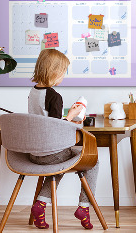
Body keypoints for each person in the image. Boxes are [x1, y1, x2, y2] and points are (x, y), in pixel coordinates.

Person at [28, 49, 98, 230]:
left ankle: (40, 205)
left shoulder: (33, 92)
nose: (63, 76)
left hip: (34, 153)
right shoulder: (54, 96)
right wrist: (73, 115)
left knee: (58, 164)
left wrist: (67, 116)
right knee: (93, 161)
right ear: (54, 72)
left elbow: (45, 121)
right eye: (63, 72)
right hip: (51, 153)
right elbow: (56, 128)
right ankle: (84, 207)